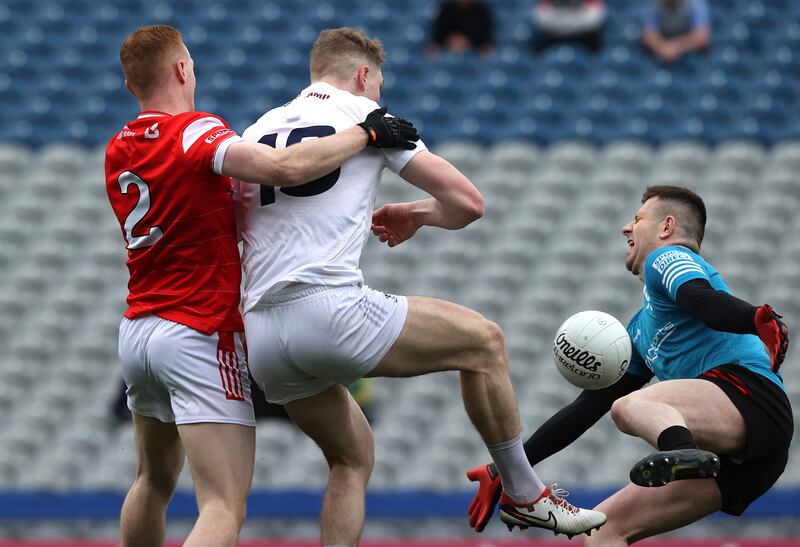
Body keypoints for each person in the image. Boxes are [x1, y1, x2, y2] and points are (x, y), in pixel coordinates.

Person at [235, 27, 607, 547]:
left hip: (261, 336)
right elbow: (467, 203)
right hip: (327, 311)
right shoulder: (367, 120)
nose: (380, 95)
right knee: (484, 342)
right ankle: (526, 493)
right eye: (379, 84)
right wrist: (414, 213)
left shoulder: (255, 130)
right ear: (364, 75)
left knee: (351, 456)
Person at [105, 24, 419, 547]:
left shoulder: (118, 147)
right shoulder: (194, 131)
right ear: (183, 69)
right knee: (222, 506)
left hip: (138, 330)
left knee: (152, 481)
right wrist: (367, 133)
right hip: (198, 331)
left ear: (129, 85)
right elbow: (283, 166)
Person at [466, 185, 792, 544]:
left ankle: (681, 453)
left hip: (750, 398)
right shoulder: (638, 331)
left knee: (632, 406)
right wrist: (507, 468)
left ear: (666, 227)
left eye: (637, 219)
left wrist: (756, 318)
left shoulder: (665, 257)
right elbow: (586, 408)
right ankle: (685, 456)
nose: (626, 228)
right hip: (742, 459)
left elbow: (703, 300)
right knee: (603, 532)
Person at [642, 0, 711, 63]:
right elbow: (649, 36)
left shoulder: (695, 4)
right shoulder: (654, 5)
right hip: (662, 54)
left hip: (689, 54)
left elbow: (702, 37)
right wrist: (663, 48)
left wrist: (676, 47)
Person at [533, 0, 607, 53]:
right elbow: (542, 17)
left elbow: (595, 17)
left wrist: (563, 21)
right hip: (553, 40)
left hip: (586, 41)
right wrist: (575, 18)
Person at [430, 0, 495, 56]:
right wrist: (451, 40)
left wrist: (468, 41)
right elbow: (439, 34)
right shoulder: (446, 9)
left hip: (475, 49)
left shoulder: (481, 10)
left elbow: (485, 36)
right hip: (447, 48)